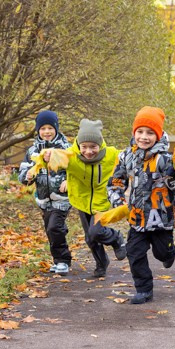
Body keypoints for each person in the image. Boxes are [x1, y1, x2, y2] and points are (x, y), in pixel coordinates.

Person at [107, 107, 175, 305]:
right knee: (134, 252)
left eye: (150, 133)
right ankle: (144, 289)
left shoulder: (167, 160)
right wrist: (118, 201)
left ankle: (169, 252)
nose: (144, 137)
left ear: (158, 135)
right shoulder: (126, 156)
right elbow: (116, 182)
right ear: (134, 132)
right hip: (137, 217)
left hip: (161, 218)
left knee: (161, 252)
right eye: (140, 132)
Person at [43, 119, 127, 279]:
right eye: (84, 147)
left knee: (96, 232)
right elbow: (54, 157)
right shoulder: (71, 155)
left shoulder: (111, 155)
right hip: (81, 201)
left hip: (102, 201)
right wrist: (48, 156)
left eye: (93, 147)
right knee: (90, 238)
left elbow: (129, 157)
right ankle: (102, 263)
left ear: (100, 144)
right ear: (79, 145)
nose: (88, 151)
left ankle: (116, 238)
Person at [17, 111, 73, 274]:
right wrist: (27, 176)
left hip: (62, 197)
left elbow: (76, 170)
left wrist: (69, 180)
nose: (47, 131)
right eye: (43, 128)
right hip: (43, 198)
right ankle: (58, 260)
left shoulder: (66, 149)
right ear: (38, 130)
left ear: (56, 128)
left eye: (50, 128)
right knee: (51, 229)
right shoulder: (32, 151)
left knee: (54, 227)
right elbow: (24, 172)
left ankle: (63, 261)